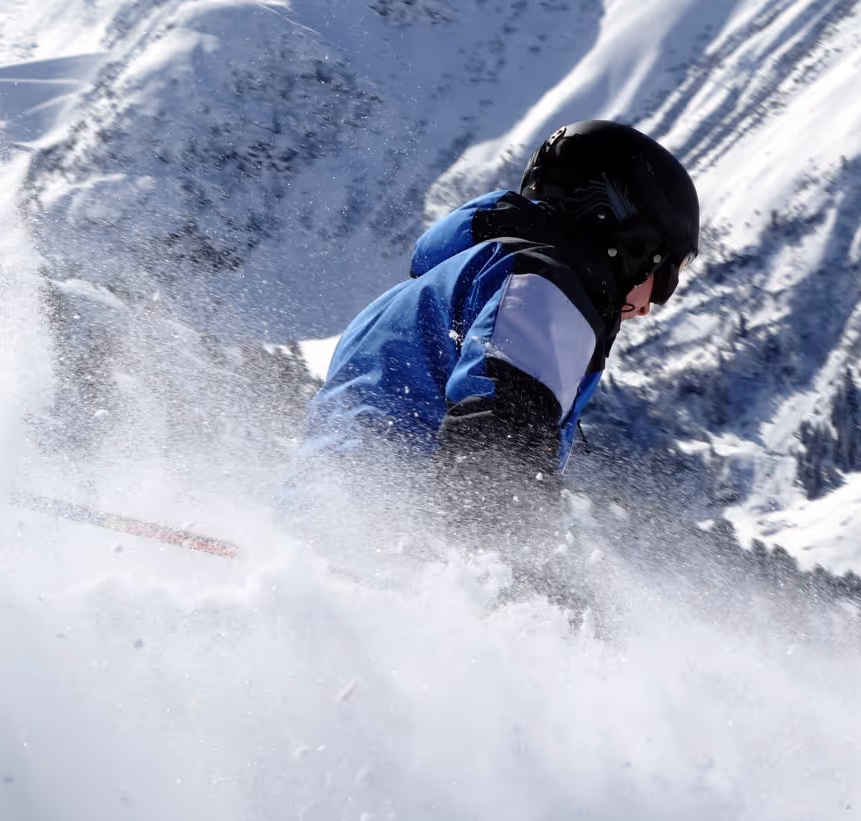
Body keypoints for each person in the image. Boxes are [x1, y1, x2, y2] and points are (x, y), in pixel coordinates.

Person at [294, 120, 700, 554]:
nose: (649, 307)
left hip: (319, 525)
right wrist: (508, 582)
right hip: (391, 545)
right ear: (628, 241)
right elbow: (500, 435)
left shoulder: (436, 286)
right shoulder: (546, 287)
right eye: (663, 281)